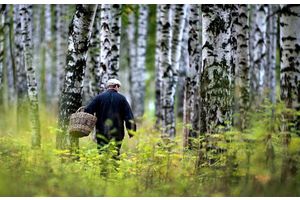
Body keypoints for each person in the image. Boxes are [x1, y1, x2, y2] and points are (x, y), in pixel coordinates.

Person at [84, 79, 136, 157]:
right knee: (115, 154)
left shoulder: (99, 97)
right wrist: (131, 131)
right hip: (117, 133)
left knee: (102, 154)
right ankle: (114, 168)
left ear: (108, 87)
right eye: (118, 87)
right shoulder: (122, 99)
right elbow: (129, 116)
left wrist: (89, 124)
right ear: (116, 86)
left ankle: (103, 169)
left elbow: (88, 110)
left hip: (101, 132)